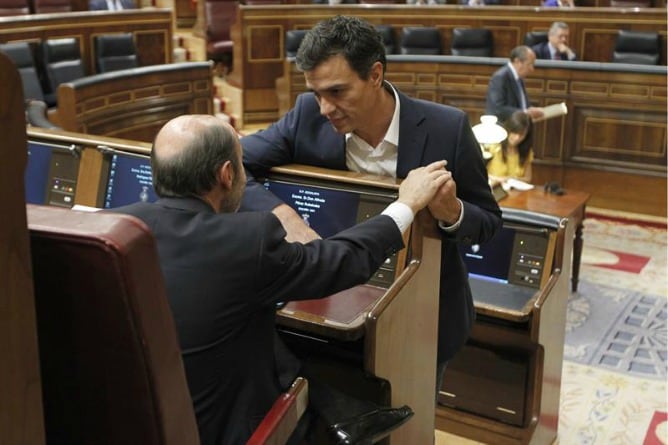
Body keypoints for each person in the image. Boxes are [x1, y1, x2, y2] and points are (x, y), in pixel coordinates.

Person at [112, 114, 450, 445]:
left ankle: (335, 410)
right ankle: (330, 419)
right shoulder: (247, 240)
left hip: (127, 422)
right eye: (243, 165)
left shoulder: (110, 228)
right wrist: (406, 205)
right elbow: (341, 261)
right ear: (227, 175)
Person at [240, 15, 503, 398]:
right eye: (316, 93)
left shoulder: (448, 128)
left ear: (375, 74)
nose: (325, 107)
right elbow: (232, 164)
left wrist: (452, 213)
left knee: (411, 422)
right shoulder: (305, 116)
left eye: (337, 91)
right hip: (327, 305)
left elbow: (490, 223)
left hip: (422, 314)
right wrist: (284, 217)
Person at [487, 110, 533, 182]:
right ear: (508, 129)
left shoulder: (526, 150)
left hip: (516, 191)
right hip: (495, 189)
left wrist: (512, 179)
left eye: (522, 134)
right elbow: (481, 174)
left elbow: (528, 178)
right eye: (515, 132)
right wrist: (499, 179)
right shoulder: (494, 145)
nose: (517, 138)